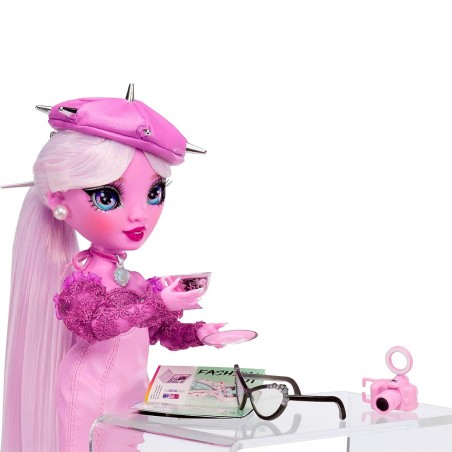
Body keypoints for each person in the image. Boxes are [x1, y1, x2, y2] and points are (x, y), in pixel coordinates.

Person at [1, 86, 225, 452]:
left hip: (131, 398)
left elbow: (160, 332)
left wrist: (199, 334)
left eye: (154, 194)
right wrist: (157, 303)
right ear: (58, 200)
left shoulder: (134, 282)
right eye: (107, 197)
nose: (139, 215)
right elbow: (95, 325)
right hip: (89, 397)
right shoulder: (80, 280)